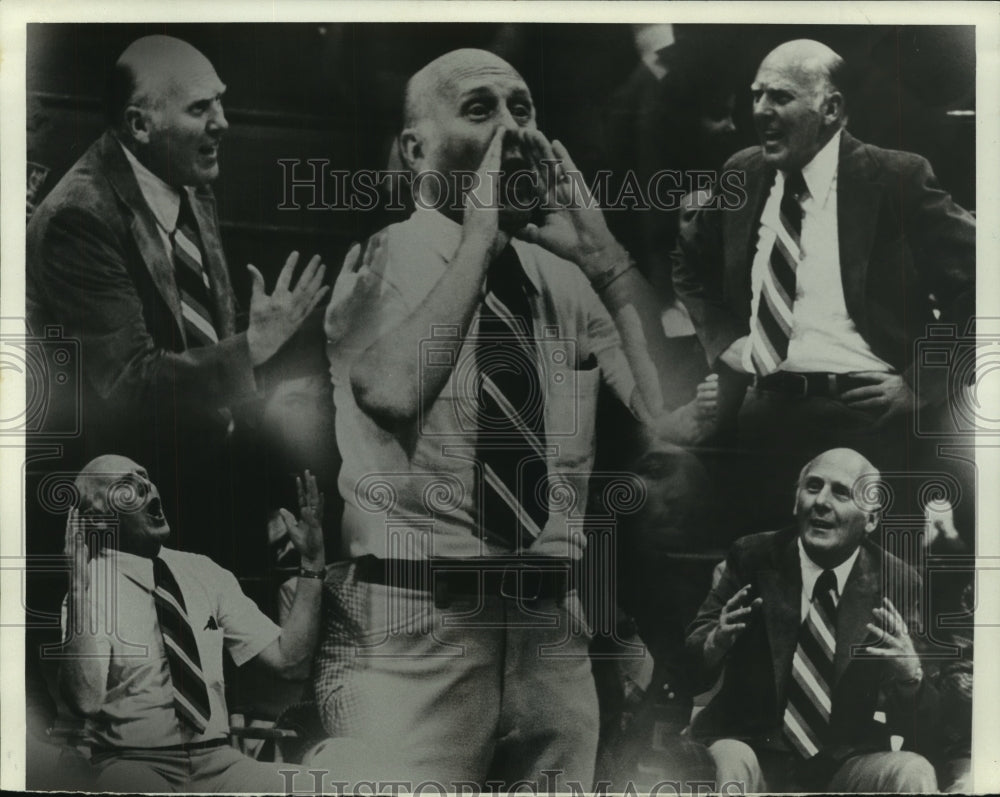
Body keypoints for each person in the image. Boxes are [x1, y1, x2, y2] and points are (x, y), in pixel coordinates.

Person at [316, 47, 716, 790]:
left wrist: (606, 261)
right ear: (416, 150)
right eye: (480, 109)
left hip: (550, 637)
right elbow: (394, 391)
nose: (512, 130)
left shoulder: (564, 278)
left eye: (523, 109)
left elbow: (672, 418)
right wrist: (479, 239)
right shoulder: (381, 258)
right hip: (416, 628)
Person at [25, 35, 329, 565]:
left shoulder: (187, 185)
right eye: (199, 108)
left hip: (214, 491)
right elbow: (129, 384)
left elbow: (202, 335)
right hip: (133, 519)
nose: (223, 122)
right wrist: (253, 347)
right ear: (140, 125)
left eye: (221, 101)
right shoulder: (78, 218)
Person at [671, 39, 976, 533]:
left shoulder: (896, 177)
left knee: (871, 593)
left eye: (781, 97)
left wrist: (919, 385)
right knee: (757, 581)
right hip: (761, 416)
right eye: (756, 95)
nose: (761, 111)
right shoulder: (742, 172)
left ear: (831, 108)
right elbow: (689, 263)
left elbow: (985, 281)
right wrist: (724, 340)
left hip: (865, 420)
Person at [57, 454, 358, 792]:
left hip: (219, 762)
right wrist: (79, 592)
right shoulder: (91, 591)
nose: (146, 485)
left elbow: (289, 660)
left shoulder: (205, 573)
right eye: (126, 485)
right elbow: (85, 700)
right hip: (133, 762)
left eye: (145, 476)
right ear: (97, 520)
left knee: (322, 787)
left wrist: (312, 563)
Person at [684, 447, 940, 793]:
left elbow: (924, 730)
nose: (821, 501)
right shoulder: (753, 557)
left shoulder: (898, 582)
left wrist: (910, 676)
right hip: (751, 750)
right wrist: (716, 641)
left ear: (872, 520)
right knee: (731, 759)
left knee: (913, 771)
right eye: (813, 486)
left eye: (841, 492)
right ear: (795, 502)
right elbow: (688, 663)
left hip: (843, 765)